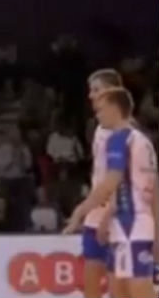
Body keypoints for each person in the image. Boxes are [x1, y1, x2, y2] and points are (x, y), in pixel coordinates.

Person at [64, 88, 157, 298]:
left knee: (137, 291)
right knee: (119, 291)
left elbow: (109, 184)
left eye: (101, 110)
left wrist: (80, 211)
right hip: (131, 223)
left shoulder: (119, 139)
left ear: (115, 109)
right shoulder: (142, 140)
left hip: (131, 224)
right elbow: (148, 187)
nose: (97, 116)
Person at [79, 69, 123, 298]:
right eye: (90, 90)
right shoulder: (98, 128)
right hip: (95, 215)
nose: (91, 95)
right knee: (91, 285)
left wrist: (109, 215)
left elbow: (123, 181)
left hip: (117, 217)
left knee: (120, 287)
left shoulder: (124, 133)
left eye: (96, 90)